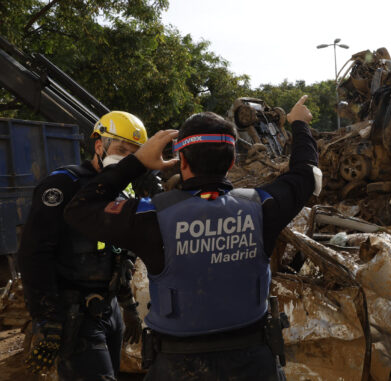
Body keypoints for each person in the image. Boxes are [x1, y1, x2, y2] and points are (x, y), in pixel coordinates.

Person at [63, 95, 318, 380]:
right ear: (232, 160)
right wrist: (298, 124)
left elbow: (78, 210)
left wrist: (136, 162)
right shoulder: (263, 207)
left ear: (181, 159)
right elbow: (307, 174)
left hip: (176, 367)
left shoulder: (150, 216)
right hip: (254, 364)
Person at [18, 111, 147, 379]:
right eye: (121, 149)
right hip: (73, 314)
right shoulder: (64, 184)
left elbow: (118, 255)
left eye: (133, 154)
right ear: (99, 145)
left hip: (109, 312)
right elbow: (34, 255)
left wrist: (129, 306)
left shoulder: (125, 192)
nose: (126, 158)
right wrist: (47, 318)